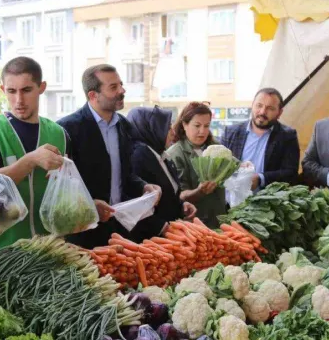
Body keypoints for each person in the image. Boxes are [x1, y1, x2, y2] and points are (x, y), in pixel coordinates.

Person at [0, 57, 69, 256]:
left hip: (46, 250)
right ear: (2, 90)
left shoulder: (59, 133)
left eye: (26, 90)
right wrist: (31, 160)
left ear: (41, 88)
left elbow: (65, 187)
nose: (19, 100)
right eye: (11, 91)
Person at [58, 64, 161, 249]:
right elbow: (62, 185)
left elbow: (126, 174)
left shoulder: (124, 125)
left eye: (120, 84)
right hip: (83, 235)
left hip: (120, 230)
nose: (122, 91)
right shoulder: (67, 129)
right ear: (92, 95)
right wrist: (89, 206)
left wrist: (144, 186)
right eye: (113, 87)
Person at [127, 106, 197, 242]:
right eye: (166, 127)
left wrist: (181, 205)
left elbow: (168, 193)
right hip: (150, 241)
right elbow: (136, 203)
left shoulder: (158, 154)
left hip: (170, 236)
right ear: (151, 129)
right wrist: (162, 227)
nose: (172, 132)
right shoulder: (138, 155)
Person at [219, 88, 300, 190]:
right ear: (252, 105)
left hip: (267, 202)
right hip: (231, 201)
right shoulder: (231, 132)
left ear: (279, 113)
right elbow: (219, 165)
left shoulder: (287, 136)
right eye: (259, 105)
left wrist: (260, 179)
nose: (262, 112)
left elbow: (290, 173)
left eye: (270, 108)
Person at [167, 102, 226, 228]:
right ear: (184, 124)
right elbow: (179, 196)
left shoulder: (216, 147)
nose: (202, 131)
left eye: (207, 126)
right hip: (194, 227)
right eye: (197, 125)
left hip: (220, 220)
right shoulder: (174, 154)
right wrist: (199, 191)